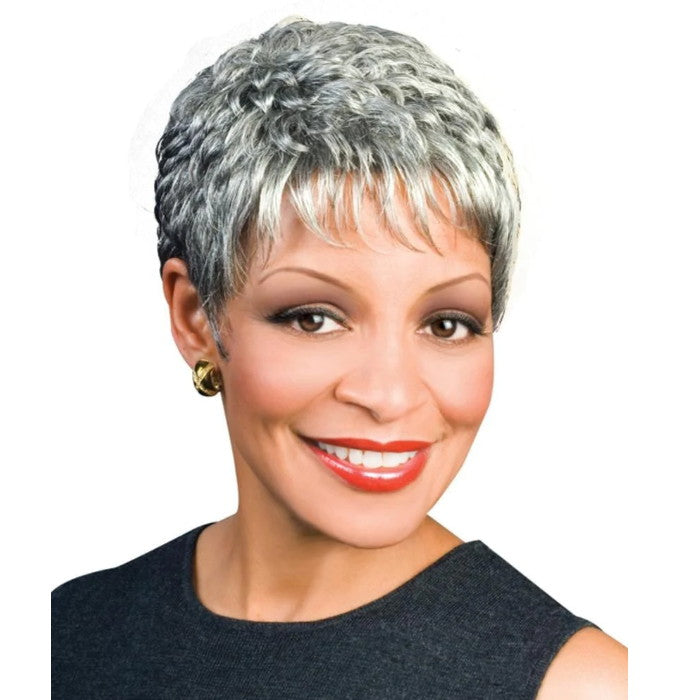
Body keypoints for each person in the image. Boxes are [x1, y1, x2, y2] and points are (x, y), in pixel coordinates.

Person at [51, 18, 627, 698]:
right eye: (314, 318)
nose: (390, 394)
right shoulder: (64, 637)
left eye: (446, 324)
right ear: (195, 317)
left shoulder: (584, 684)